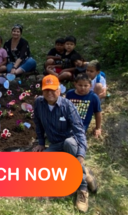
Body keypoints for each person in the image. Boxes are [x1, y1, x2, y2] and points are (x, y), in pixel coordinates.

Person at [33, 75, 97, 213]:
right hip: (55, 144)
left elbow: (79, 132)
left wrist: (81, 153)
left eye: (53, 89)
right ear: (42, 91)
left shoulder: (67, 106)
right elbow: (38, 123)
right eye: (46, 90)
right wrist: (41, 142)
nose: (50, 93)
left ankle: (83, 189)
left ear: (59, 89)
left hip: (70, 142)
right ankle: (84, 171)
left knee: (69, 143)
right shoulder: (39, 103)